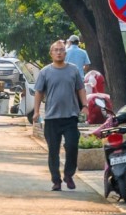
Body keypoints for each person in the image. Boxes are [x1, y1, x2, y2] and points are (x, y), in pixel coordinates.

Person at [34, 39, 88, 191]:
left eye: (61, 50)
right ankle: (56, 180)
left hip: (70, 116)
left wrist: (85, 106)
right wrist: (37, 111)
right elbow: (39, 92)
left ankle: (69, 175)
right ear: (51, 53)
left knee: (72, 145)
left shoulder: (73, 70)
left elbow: (81, 89)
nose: (58, 52)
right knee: (53, 151)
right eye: (56, 50)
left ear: (66, 53)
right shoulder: (45, 72)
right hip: (51, 118)